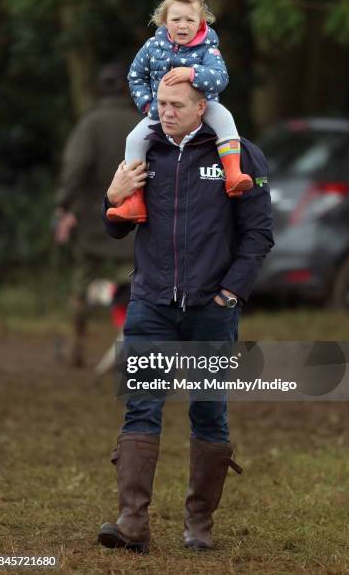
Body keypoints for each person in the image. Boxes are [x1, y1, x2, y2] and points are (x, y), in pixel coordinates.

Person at [98, 78, 274, 553]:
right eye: (160, 103)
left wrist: (230, 294)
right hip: (150, 305)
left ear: (203, 107)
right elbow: (115, 228)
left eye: (176, 105)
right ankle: (132, 521)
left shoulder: (240, 155)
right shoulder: (145, 150)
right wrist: (112, 197)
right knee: (142, 407)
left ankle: (199, 524)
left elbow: (258, 234)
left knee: (209, 414)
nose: (165, 112)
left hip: (212, 312)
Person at [109, 0, 253, 224]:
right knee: (133, 140)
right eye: (176, 19)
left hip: (205, 107)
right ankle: (133, 201)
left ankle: (233, 174)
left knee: (225, 118)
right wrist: (147, 105)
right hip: (160, 111)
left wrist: (192, 73)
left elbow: (221, 79)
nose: (183, 25)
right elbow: (135, 76)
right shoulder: (152, 47)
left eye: (190, 19)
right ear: (165, 21)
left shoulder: (208, 48)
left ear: (200, 23)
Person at [54, 63, 140, 367]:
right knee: (136, 283)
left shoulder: (89, 125)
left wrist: (64, 205)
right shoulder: (141, 123)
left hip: (93, 220)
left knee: (82, 283)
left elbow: (75, 168)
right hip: (134, 221)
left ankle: (75, 346)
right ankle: (135, 347)